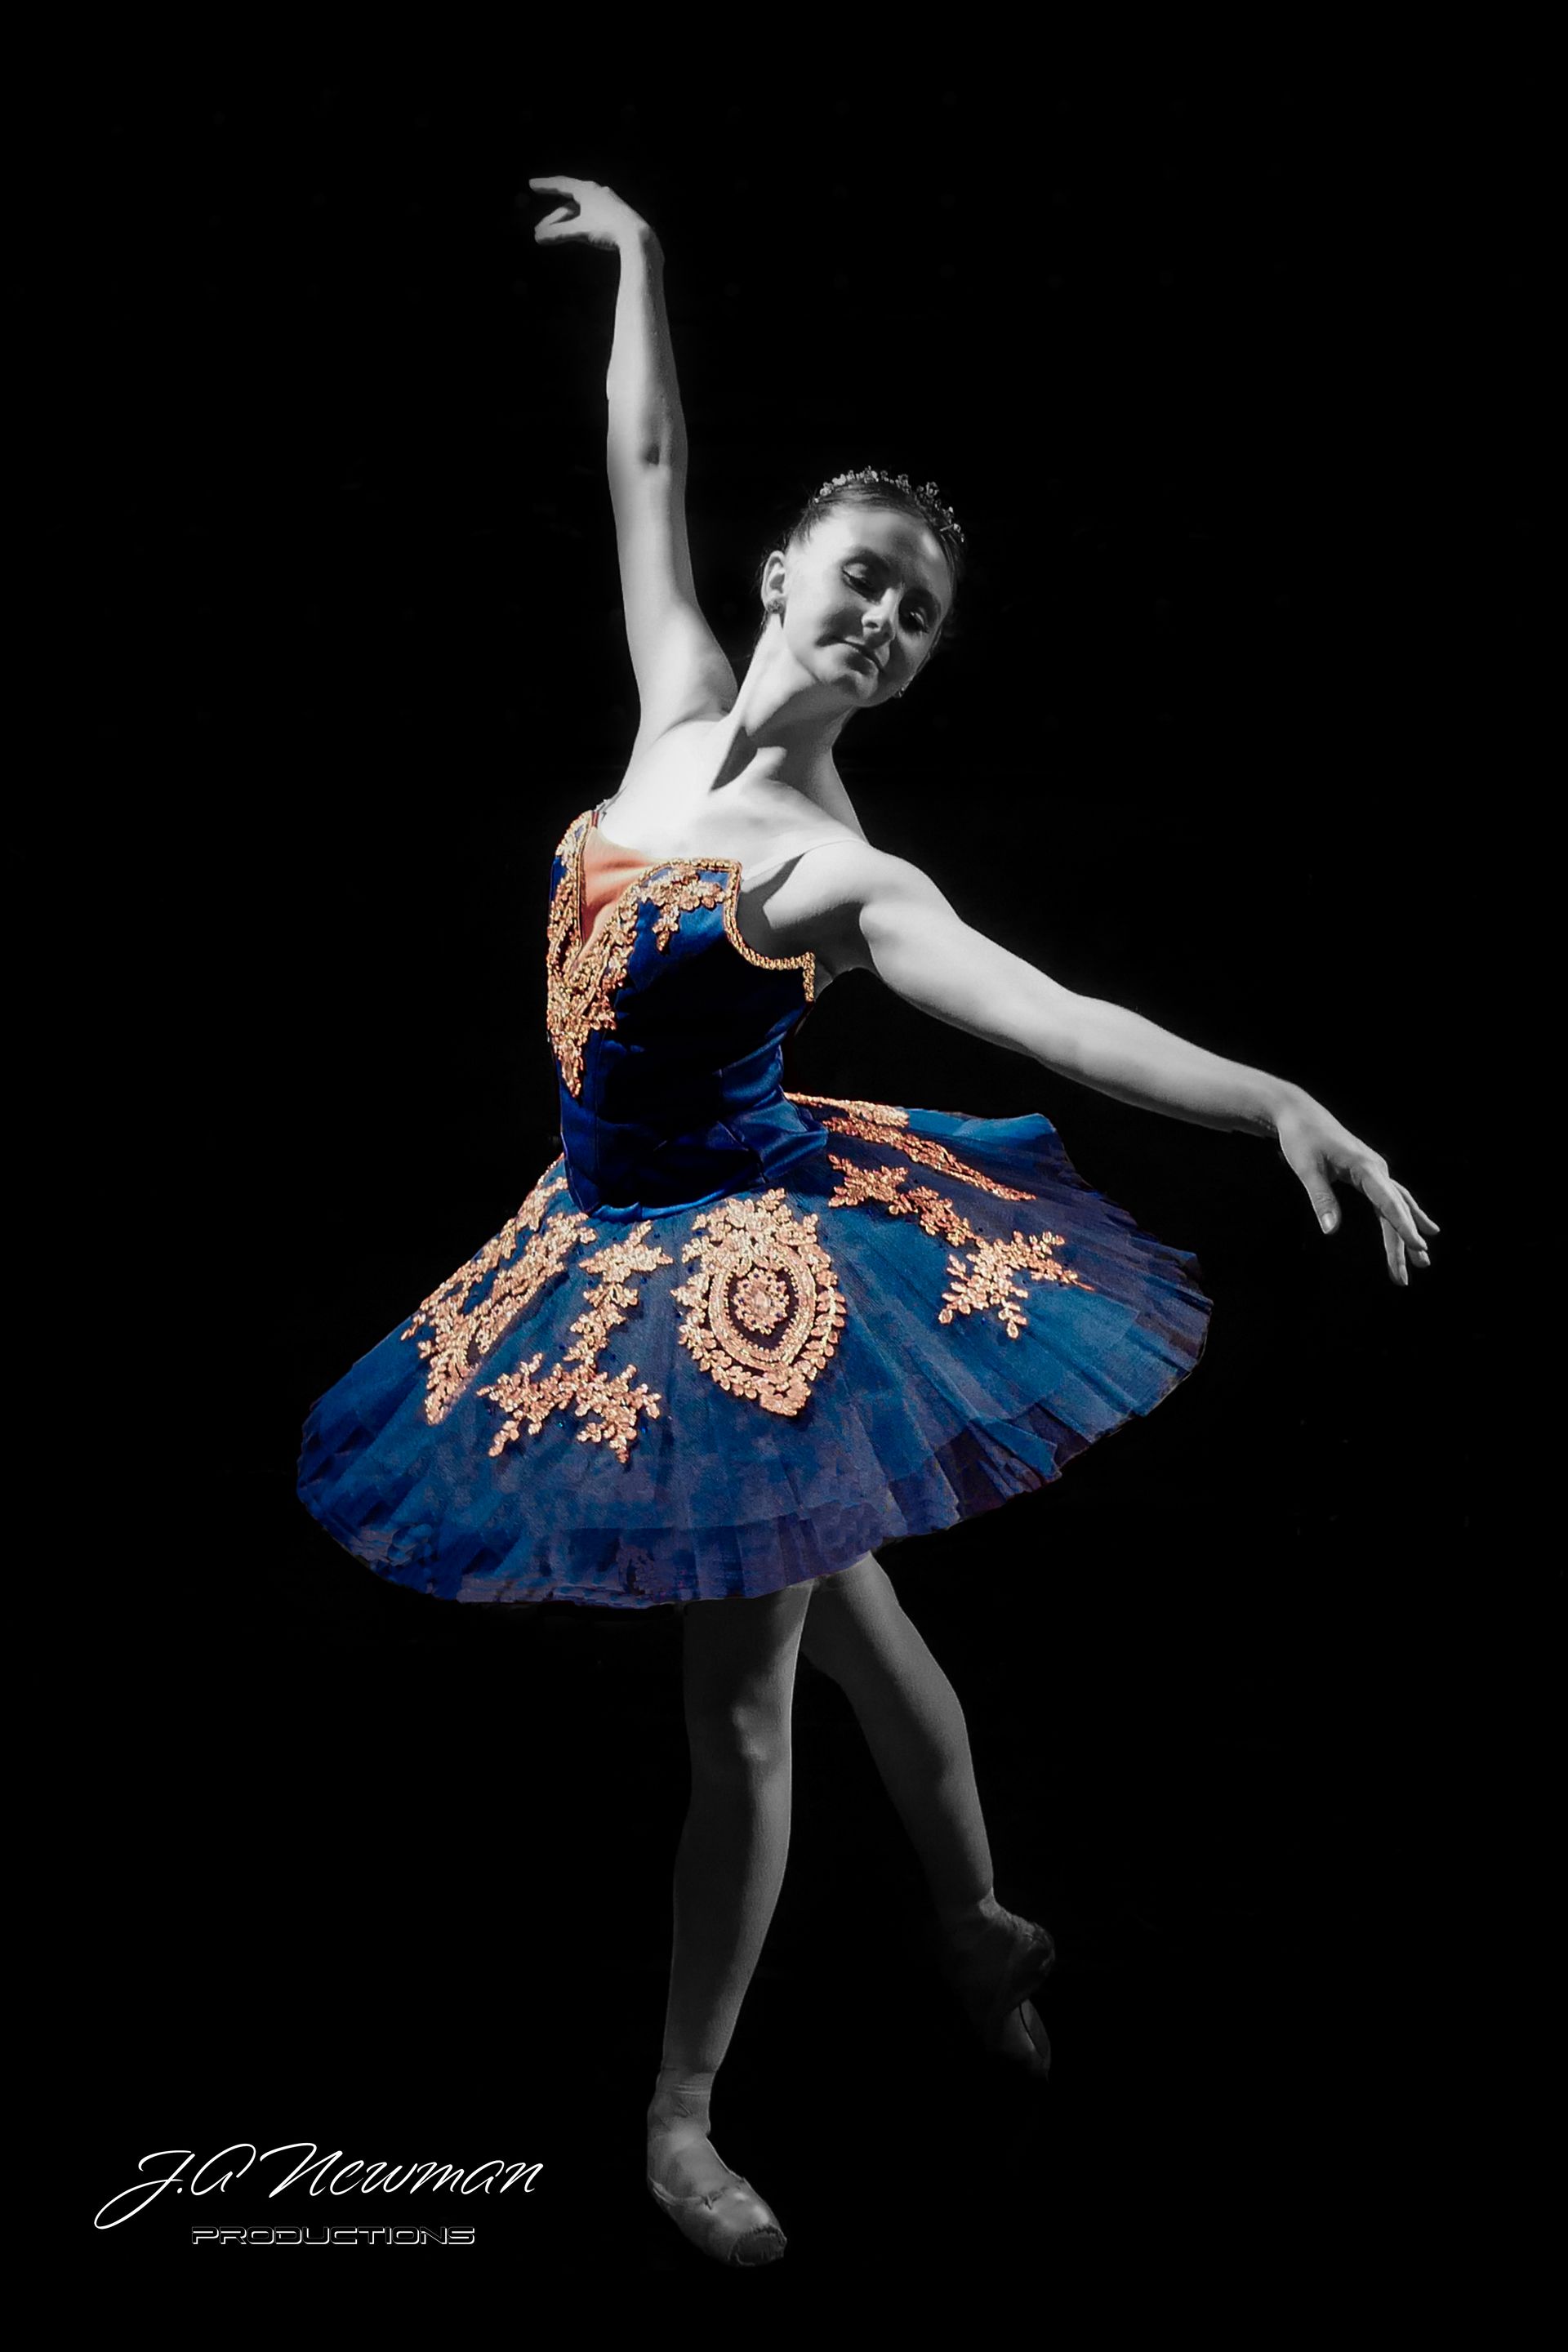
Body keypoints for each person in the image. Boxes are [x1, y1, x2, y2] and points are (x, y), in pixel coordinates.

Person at [296, 175, 1439, 2268]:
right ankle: (982, 1918)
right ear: (786, 575)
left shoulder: (839, 877)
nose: (887, 622)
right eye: (864, 580)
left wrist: (1277, 1091)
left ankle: (679, 2114)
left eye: (919, 612)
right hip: (599, 1220)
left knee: (746, 1700)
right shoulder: (668, 705)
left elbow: (1064, 1019)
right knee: (861, 1604)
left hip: (736, 1273)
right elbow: (640, 456)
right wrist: (642, 261)